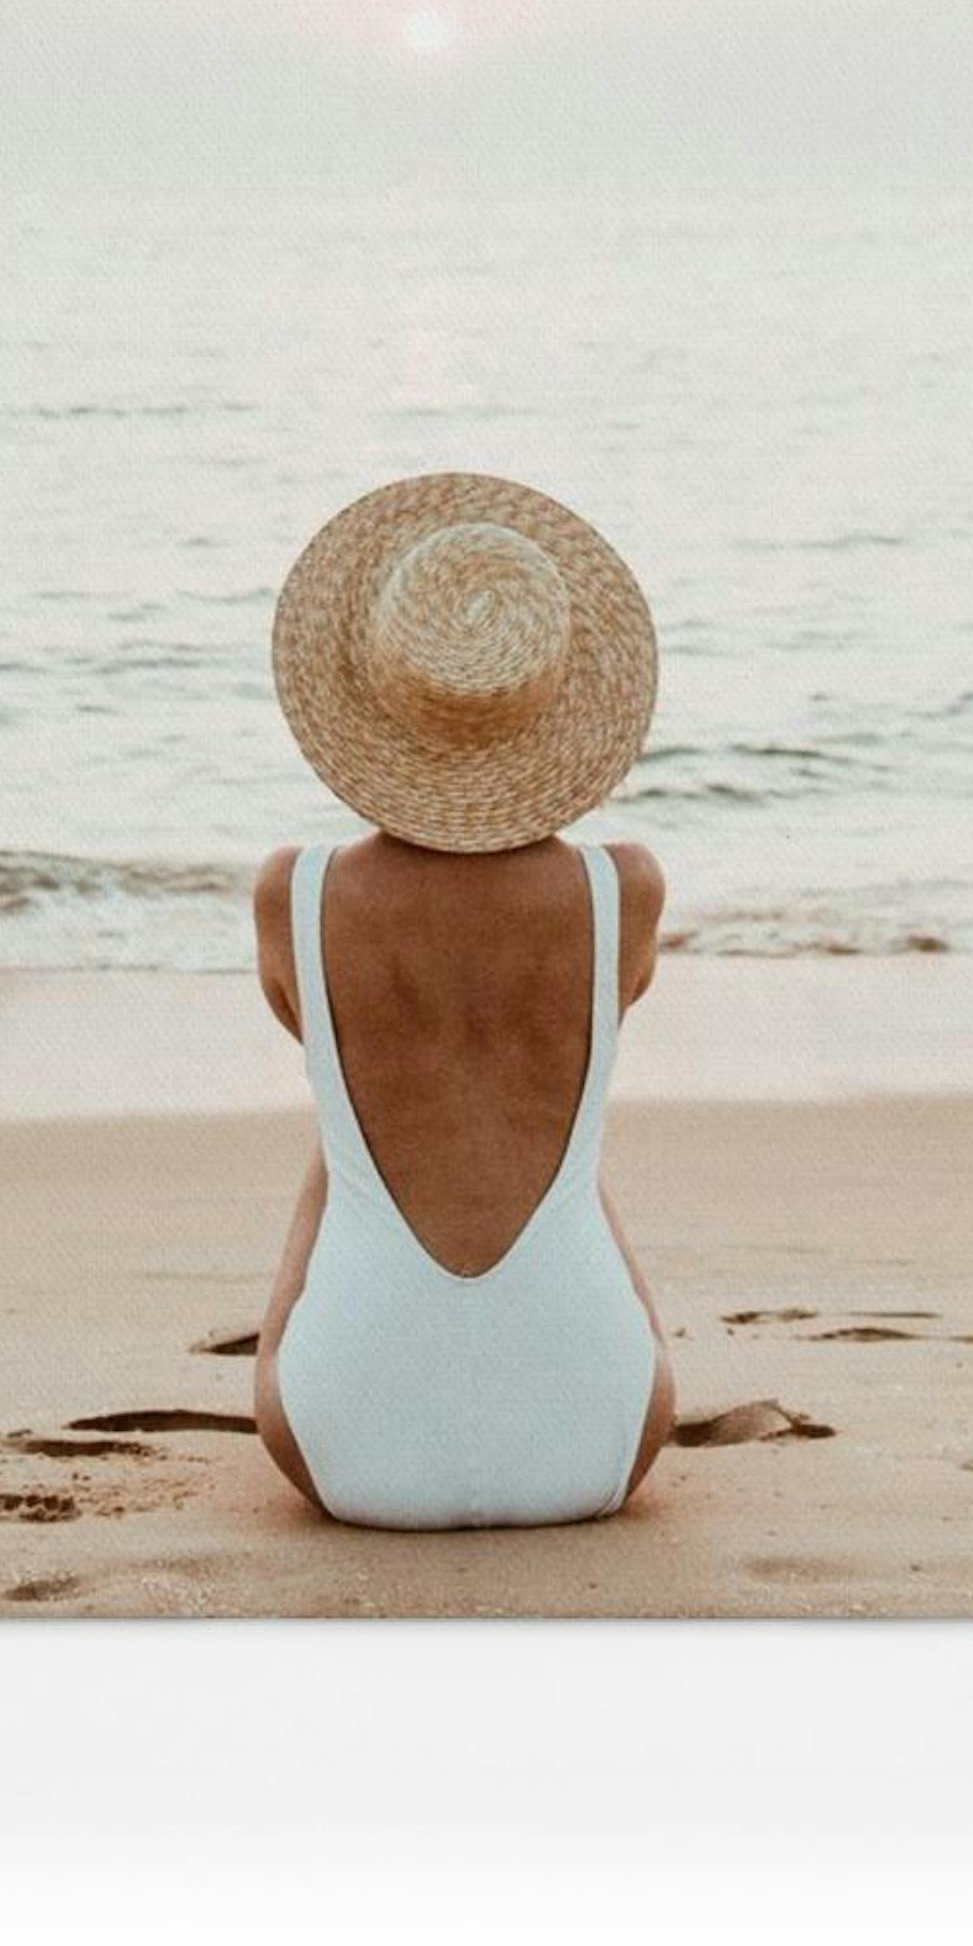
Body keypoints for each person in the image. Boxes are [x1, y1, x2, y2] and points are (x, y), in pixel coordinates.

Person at [250, 472, 676, 1527]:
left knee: (340, 1131)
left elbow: (321, 1044)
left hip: (348, 1449)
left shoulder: (295, 895)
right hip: (600, 1437)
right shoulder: (623, 889)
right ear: (565, 700)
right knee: (571, 1149)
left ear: (367, 693)